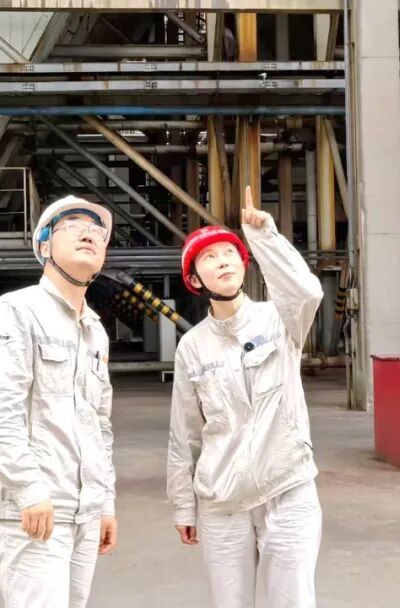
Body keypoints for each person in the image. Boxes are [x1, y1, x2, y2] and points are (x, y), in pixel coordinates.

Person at [167, 186, 324, 608]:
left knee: (293, 602)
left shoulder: (280, 321)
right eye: (208, 257)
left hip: (286, 488)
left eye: (229, 253)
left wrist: (264, 235)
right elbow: (185, 434)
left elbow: (307, 292)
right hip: (222, 500)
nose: (222, 261)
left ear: (243, 264)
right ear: (195, 280)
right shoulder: (192, 347)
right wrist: (183, 506)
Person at [0, 195, 118, 608]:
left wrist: (104, 502)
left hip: (84, 510)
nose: (88, 234)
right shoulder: (15, 312)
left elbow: (100, 424)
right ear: (44, 245)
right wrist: (28, 488)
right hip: (36, 507)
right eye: (71, 225)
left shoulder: (95, 330)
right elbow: (1, 411)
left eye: (96, 230)